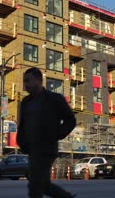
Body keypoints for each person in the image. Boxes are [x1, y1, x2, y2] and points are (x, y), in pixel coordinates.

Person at [17, 67, 77, 198]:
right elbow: (22, 125)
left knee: (35, 185)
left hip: (47, 149)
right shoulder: (26, 102)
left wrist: (56, 134)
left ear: (39, 80)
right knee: (40, 184)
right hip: (32, 149)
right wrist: (21, 142)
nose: (25, 85)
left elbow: (70, 120)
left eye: (28, 80)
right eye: (24, 81)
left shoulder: (55, 99)